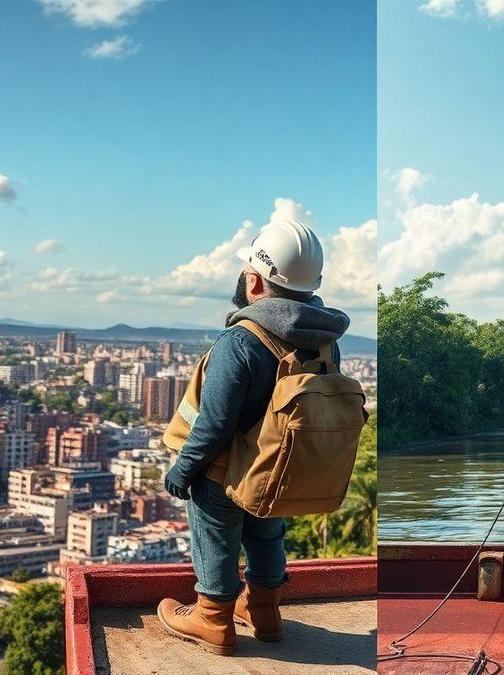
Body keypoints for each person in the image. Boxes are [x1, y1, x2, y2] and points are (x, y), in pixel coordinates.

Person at [156, 221, 350, 655]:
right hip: (278, 472)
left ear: (256, 280)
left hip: (227, 472)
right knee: (267, 535)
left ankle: (212, 619)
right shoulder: (325, 344)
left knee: (215, 535)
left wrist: (184, 470)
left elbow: (214, 423)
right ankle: (264, 610)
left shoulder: (241, 340)